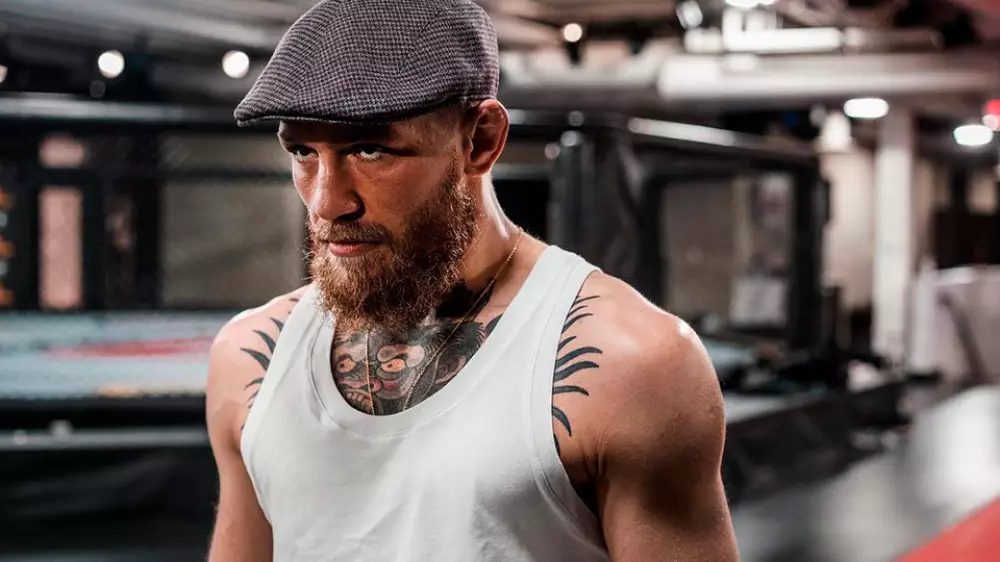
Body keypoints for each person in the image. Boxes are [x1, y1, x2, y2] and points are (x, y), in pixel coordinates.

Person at [206, 0, 738, 560]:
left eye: (369, 149)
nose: (326, 202)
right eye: (302, 151)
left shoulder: (633, 363)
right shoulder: (249, 357)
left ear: (480, 140)